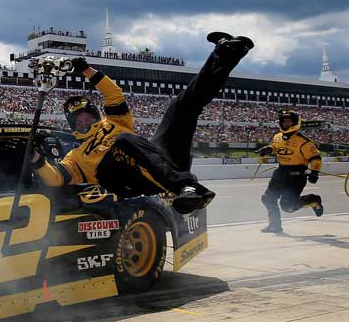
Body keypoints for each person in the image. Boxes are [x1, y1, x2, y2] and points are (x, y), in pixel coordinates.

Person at [33, 32, 253, 214]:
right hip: (126, 182)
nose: (83, 121)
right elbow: (55, 178)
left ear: (95, 114)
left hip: (156, 160)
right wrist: (35, 159)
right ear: (72, 126)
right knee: (122, 141)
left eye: (86, 115)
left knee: (182, 106)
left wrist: (87, 70)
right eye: (78, 120)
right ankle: (187, 187)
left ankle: (226, 53)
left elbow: (114, 94)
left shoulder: (116, 120)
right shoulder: (76, 156)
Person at [256, 109, 323, 233]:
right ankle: (275, 225)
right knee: (268, 198)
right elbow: (276, 147)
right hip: (280, 173)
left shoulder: (305, 142)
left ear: (296, 123)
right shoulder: (277, 137)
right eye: (283, 121)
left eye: (289, 121)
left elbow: (316, 158)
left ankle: (313, 200)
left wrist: (314, 172)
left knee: (288, 207)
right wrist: (268, 149)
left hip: (296, 176)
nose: (286, 124)